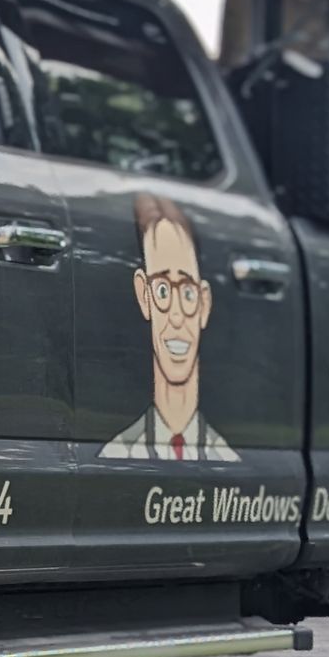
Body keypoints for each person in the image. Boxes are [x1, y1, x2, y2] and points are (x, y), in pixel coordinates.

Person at [101, 193, 238, 462]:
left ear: (204, 303)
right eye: (163, 290)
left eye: (187, 293)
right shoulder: (117, 452)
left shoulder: (227, 459)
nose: (176, 317)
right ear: (144, 295)